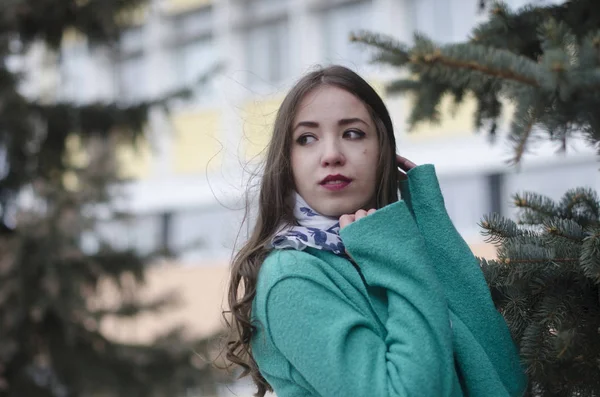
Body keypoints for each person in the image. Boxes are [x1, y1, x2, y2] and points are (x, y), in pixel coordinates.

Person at [225, 65, 527, 397]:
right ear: (287, 162)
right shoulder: (292, 276)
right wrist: (397, 259)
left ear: (383, 151)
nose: (332, 155)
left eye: (353, 133)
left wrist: (428, 221)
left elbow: (503, 378)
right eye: (307, 138)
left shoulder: (388, 246)